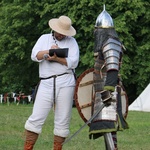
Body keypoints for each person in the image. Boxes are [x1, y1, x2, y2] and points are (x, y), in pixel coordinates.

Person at [24, 15, 79, 150]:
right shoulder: (44, 38)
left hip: (66, 81)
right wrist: (48, 52)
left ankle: (57, 148)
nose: (61, 35)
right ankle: (28, 147)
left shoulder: (72, 42)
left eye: (64, 33)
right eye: (59, 32)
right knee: (37, 116)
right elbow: (34, 55)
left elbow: (74, 62)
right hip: (46, 81)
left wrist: (57, 58)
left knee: (63, 118)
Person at [89, 5, 129, 150]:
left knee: (109, 125)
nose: (96, 33)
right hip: (104, 93)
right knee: (107, 128)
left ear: (102, 31)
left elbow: (112, 68)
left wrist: (108, 92)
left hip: (108, 93)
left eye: (97, 30)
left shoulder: (111, 43)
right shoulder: (107, 43)